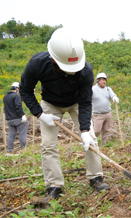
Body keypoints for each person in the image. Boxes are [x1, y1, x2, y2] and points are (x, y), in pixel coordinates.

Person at [19, 27, 109, 201]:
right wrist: (40, 114)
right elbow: (25, 90)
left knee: (91, 138)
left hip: (75, 103)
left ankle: (96, 177)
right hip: (50, 104)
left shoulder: (85, 70)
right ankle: (54, 185)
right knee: (48, 144)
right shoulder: (37, 63)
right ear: (53, 59)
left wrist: (83, 131)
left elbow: (84, 102)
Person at [92, 72, 119, 147]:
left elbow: (112, 94)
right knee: (96, 131)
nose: (104, 81)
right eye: (102, 80)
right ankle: (92, 144)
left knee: (106, 130)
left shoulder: (108, 89)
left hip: (107, 114)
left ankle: (104, 145)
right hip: (98, 115)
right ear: (98, 80)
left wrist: (114, 97)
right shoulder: (93, 89)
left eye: (105, 80)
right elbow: (87, 98)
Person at [3, 82, 28, 152]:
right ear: (16, 88)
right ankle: (23, 149)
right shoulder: (16, 96)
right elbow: (18, 106)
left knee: (11, 135)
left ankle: (9, 150)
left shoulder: (5, 96)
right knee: (22, 133)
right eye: (19, 89)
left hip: (9, 120)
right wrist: (22, 115)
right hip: (18, 119)